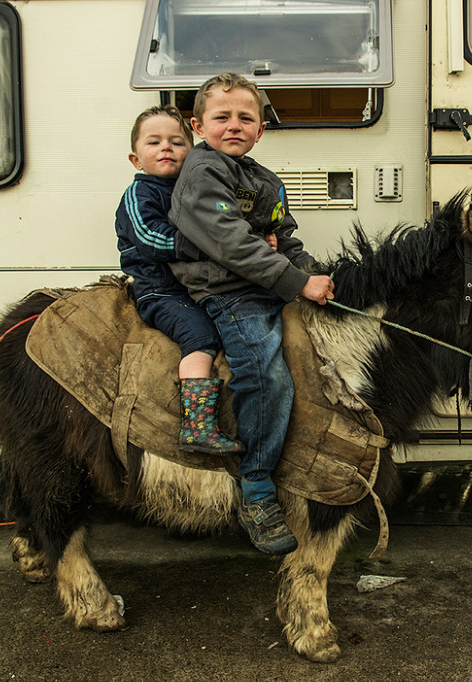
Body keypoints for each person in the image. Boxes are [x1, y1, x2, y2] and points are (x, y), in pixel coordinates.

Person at [168, 74, 335, 555]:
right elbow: (230, 242)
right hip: (228, 293)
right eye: (222, 117)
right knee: (265, 373)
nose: (234, 125)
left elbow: (288, 237)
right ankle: (257, 488)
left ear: (261, 128)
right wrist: (293, 279)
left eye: (246, 117)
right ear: (199, 125)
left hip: (265, 285)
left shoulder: (264, 179)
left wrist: (311, 273)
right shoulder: (202, 172)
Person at [115, 105, 244, 455]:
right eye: (154, 142)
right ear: (135, 159)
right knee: (199, 334)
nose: (166, 148)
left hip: (194, 286)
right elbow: (150, 239)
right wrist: (204, 246)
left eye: (176, 142)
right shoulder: (138, 196)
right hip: (160, 291)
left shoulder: (190, 190)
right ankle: (197, 426)